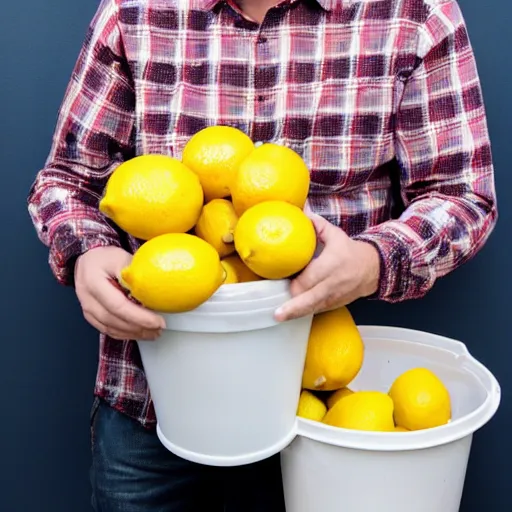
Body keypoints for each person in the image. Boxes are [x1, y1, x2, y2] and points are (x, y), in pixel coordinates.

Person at [27, 0, 497, 510]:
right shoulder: (134, 10)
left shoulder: (415, 14)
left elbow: (463, 195)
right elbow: (67, 179)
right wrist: (85, 253)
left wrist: (373, 262)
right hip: (150, 399)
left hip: (317, 412)